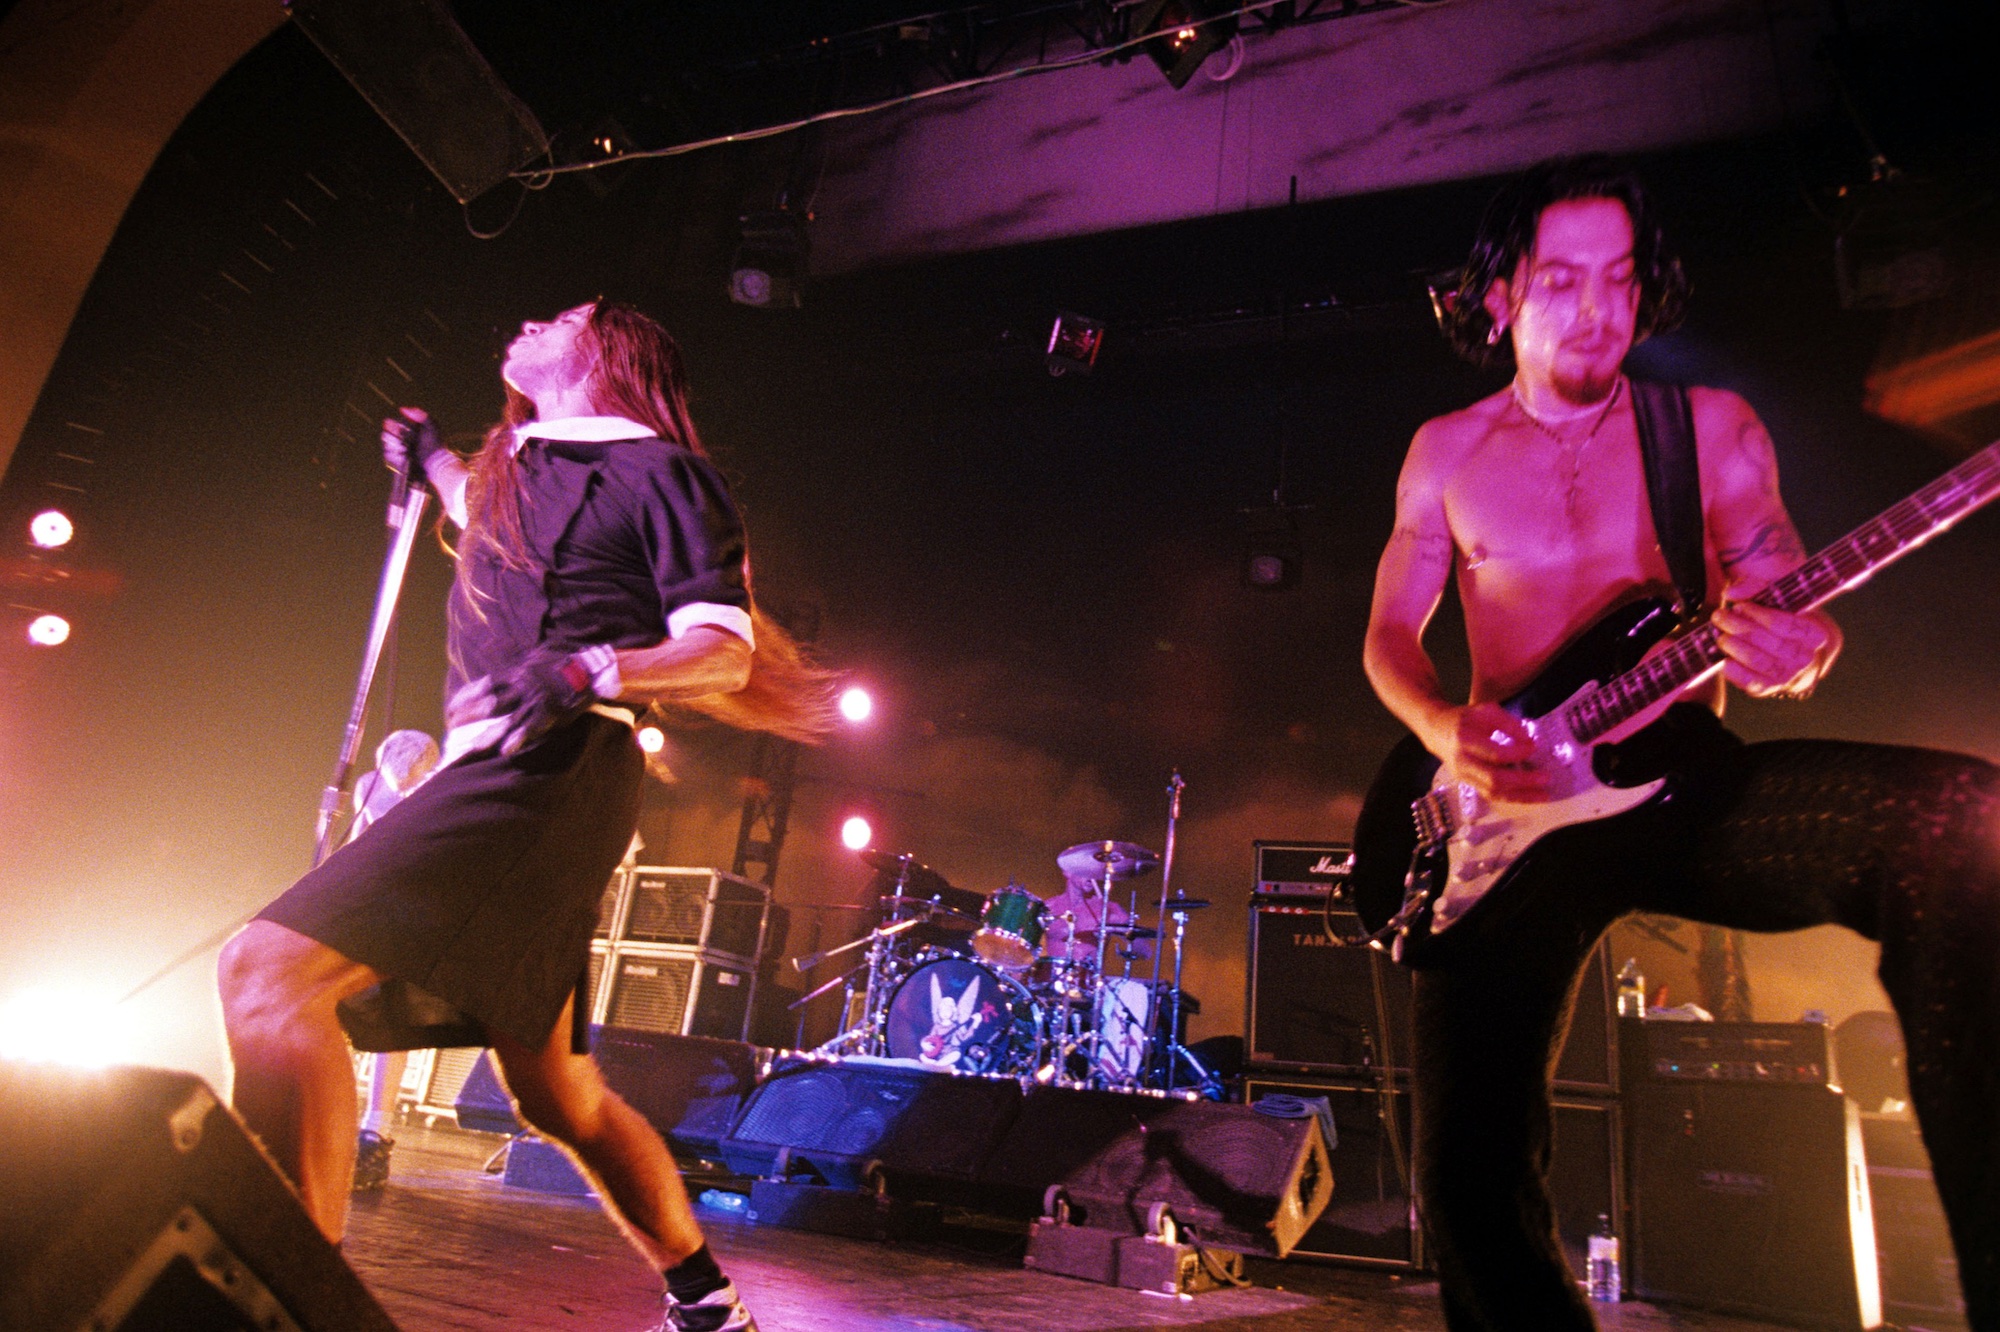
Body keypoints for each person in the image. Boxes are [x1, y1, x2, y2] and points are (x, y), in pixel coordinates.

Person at [1361, 156, 2000, 1330]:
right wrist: (1442, 727)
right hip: (1503, 829)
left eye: (1617, 277)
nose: (1597, 306)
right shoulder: (1443, 452)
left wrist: (1793, 650)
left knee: (1952, 825)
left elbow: (1783, 607)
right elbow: (1388, 638)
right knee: (1463, 1185)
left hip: (1675, 789)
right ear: (1499, 292)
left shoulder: (1706, 428)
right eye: (1561, 278)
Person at [218, 300, 832, 1332]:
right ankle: (705, 1296)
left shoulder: (661, 476)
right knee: (556, 1095)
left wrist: (588, 665)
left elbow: (719, 651)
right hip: (504, 777)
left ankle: (295, 1299)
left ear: (611, 352)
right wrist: (431, 465)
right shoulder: (521, 478)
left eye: (562, 316)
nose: (528, 319)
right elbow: (486, 523)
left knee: (267, 974)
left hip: (550, 775)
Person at [343, 728, 441, 1191]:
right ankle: (328, 1116)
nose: (406, 788)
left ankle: (375, 1132)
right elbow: (358, 845)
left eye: (415, 780)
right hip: (369, 905)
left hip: (417, 912)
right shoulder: (367, 786)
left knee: (391, 1017)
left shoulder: (446, 783)